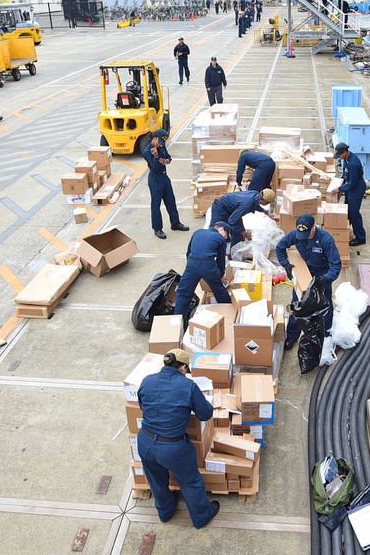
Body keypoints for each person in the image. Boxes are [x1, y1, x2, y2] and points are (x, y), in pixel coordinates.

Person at [137, 348, 221, 529]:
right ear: (183, 367)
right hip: (172, 448)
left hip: (144, 441)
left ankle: (165, 512)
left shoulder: (147, 380)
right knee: (190, 480)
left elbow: (142, 405)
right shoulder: (188, 386)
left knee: (156, 480)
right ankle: (201, 516)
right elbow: (205, 413)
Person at [276, 214, 342, 350]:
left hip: (321, 276)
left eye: (307, 233)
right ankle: (292, 336)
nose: (304, 237)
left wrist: (326, 278)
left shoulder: (326, 240)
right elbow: (280, 248)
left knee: (324, 306)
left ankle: (326, 335)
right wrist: (285, 264)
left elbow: (336, 265)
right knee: (298, 305)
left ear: (314, 227)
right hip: (303, 274)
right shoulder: (295, 235)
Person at [173, 222, 233, 327]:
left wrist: (191, 267)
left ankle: (178, 326)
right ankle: (230, 315)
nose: (225, 238)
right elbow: (220, 261)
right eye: (226, 235)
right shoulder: (221, 239)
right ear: (222, 229)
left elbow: (188, 252)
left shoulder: (197, 232)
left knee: (183, 293)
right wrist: (220, 275)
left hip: (192, 263)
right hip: (209, 266)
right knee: (219, 290)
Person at [144, 129, 190, 239]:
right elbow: (154, 168)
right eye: (159, 141)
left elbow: (168, 157)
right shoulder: (147, 151)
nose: (161, 144)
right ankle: (157, 228)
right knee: (156, 205)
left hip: (164, 177)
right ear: (154, 139)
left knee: (171, 201)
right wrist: (156, 157)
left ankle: (175, 223)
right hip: (155, 179)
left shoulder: (161, 146)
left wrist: (165, 161)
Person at [208, 188, 275, 247]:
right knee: (215, 230)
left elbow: (255, 205)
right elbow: (232, 221)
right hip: (220, 207)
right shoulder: (247, 204)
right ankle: (208, 247)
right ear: (265, 201)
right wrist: (245, 234)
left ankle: (234, 253)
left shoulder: (255, 194)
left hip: (230, 208)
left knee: (239, 234)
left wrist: (266, 212)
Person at [331, 143, 366, 246]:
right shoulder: (346, 160)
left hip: (356, 188)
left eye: (340, 155)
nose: (339, 158)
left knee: (354, 213)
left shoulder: (353, 164)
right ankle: (345, 230)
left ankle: (360, 238)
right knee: (348, 211)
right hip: (351, 187)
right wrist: (339, 182)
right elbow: (345, 175)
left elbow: (352, 183)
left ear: (345, 152)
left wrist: (340, 189)